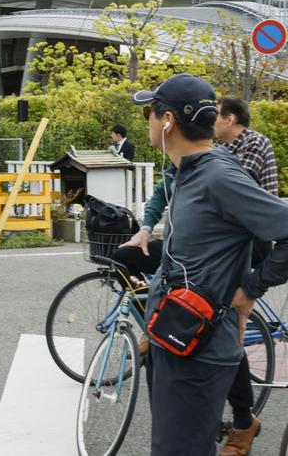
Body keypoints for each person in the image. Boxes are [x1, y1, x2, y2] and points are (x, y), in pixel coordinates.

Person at [127, 74, 288, 456]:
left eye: (150, 112)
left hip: (199, 353)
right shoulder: (188, 172)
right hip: (175, 338)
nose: (147, 120)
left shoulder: (219, 175)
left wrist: (249, 290)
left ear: (167, 121)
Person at [214, 96, 279, 195]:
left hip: (258, 209)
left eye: (215, 116)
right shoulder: (219, 145)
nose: (211, 121)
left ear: (230, 120)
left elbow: (235, 186)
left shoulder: (255, 142)